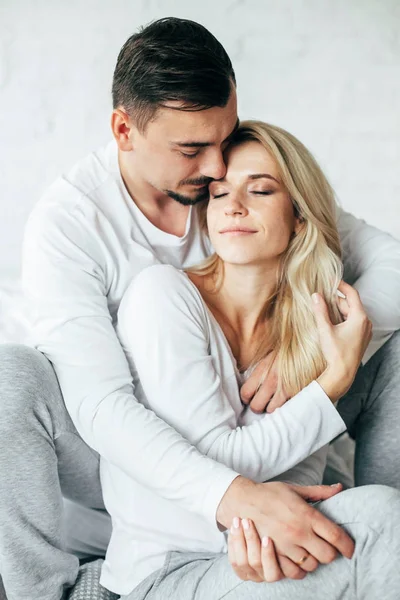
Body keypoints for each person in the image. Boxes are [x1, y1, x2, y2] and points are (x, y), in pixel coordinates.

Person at [0, 17, 399, 600]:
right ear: (124, 130)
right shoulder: (72, 225)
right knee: (11, 379)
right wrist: (234, 495)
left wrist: (314, 358)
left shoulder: (243, 183)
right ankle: (49, 590)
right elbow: (102, 405)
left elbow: (390, 263)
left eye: (225, 136)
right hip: (123, 452)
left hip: (261, 420)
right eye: (193, 150)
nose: (217, 169)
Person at [99, 120, 400, 599]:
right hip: (168, 574)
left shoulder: (310, 319)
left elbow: (299, 472)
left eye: (259, 191)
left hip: (269, 550)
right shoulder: (162, 295)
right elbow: (221, 462)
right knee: (383, 522)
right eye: (218, 195)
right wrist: (332, 383)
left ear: (300, 215)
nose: (234, 206)